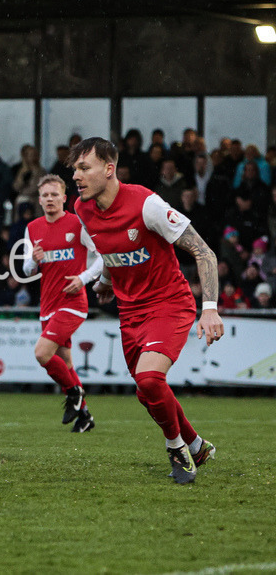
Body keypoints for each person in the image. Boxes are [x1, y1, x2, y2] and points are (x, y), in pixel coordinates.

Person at [69, 137, 222, 484]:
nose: (76, 176)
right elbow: (108, 249)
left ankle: (177, 450)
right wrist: (105, 280)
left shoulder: (147, 205)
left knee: (151, 379)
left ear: (109, 169)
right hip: (130, 312)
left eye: (84, 168)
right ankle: (196, 444)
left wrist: (210, 309)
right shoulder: (82, 207)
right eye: (75, 169)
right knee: (145, 390)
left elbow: (204, 252)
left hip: (169, 304)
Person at [21, 174, 103, 433]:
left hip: (73, 303)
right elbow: (26, 270)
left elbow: (102, 256)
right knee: (65, 363)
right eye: (45, 195)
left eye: (54, 194)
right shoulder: (33, 228)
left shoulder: (77, 224)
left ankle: (74, 392)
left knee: (41, 353)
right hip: (48, 305)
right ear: (39, 199)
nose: (50, 199)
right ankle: (85, 416)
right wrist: (33, 260)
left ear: (64, 198)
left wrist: (83, 279)